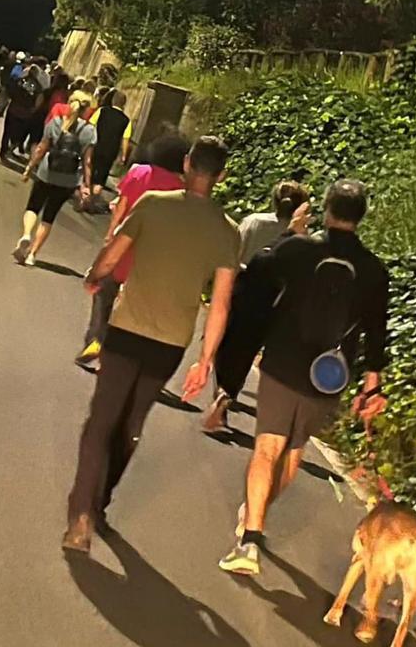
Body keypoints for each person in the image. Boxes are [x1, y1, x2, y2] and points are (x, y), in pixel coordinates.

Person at [63, 136, 240, 553]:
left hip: (127, 328)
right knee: (132, 422)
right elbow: (221, 304)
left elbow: (113, 253)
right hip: (170, 343)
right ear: (221, 176)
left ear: (187, 163)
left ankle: (82, 516)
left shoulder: (153, 204)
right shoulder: (227, 231)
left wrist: (94, 276)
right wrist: (205, 360)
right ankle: (101, 502)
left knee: (101, 420)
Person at [219, 179, 389, 577]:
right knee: (293, 453)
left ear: (326, 211)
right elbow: (377, 334)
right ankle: (254, 514)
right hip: (328, 376)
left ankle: (249, 542)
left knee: (267, 448)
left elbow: (259, 270)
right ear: (361, 217)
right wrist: (372, 386)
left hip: (282, 363)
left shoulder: (299, 249)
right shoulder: (374, 272)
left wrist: (291, 233)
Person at [74, 129, 189, 372]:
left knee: (103, 294)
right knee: (130, 306)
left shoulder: (139, 172)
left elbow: (122, 206)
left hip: (124, 245)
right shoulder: (181, 189)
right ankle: (116, 352)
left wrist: (110, 235)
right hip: (151, 255)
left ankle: (96, 338)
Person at [201, 180, 310, 434]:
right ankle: (228, 393)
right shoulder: (303, 239)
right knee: (247, 350)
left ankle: (221, 392)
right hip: (272, 301)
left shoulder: (254, 222)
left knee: (225, 345)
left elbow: (232, 255)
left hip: (241, 289)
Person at [13, 102, 97, 267]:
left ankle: (26, 234)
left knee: (33, 207)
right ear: (86, 110)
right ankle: (32, 255)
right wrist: (86, 185)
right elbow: (87, 162)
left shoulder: (56, 122)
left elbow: (41, 148)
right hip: (68, 179)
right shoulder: (89, 131)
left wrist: (29, 168)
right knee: (49, 216)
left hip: (47, 172)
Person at [89, 89, 132, 206]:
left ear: (113, 100)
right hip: (111, 151)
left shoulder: (102, 111)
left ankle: (86, 194)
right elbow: (125, 139)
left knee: (91, 168)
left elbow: (91, 125)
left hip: (96, 145)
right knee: (102, 174)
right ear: (124, 104)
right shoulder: (126, 120)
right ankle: (93, 199)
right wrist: (123, 156)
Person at [0, 64, 44, 160]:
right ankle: (10, 149)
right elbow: (39, 101)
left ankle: (3, 151)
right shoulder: (38, 87)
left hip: (13, 109)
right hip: (25, 114)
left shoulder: (19, 81)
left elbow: (10, 92)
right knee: (19, 136)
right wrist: (32, 110)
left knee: (7, 132)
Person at [0, 51, 17, 117]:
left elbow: (1, 70)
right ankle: (1, 110)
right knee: (6, 98)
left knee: (1, 96)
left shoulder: (7, 63)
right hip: (10, 84)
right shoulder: (16, 65)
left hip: (4, 82)